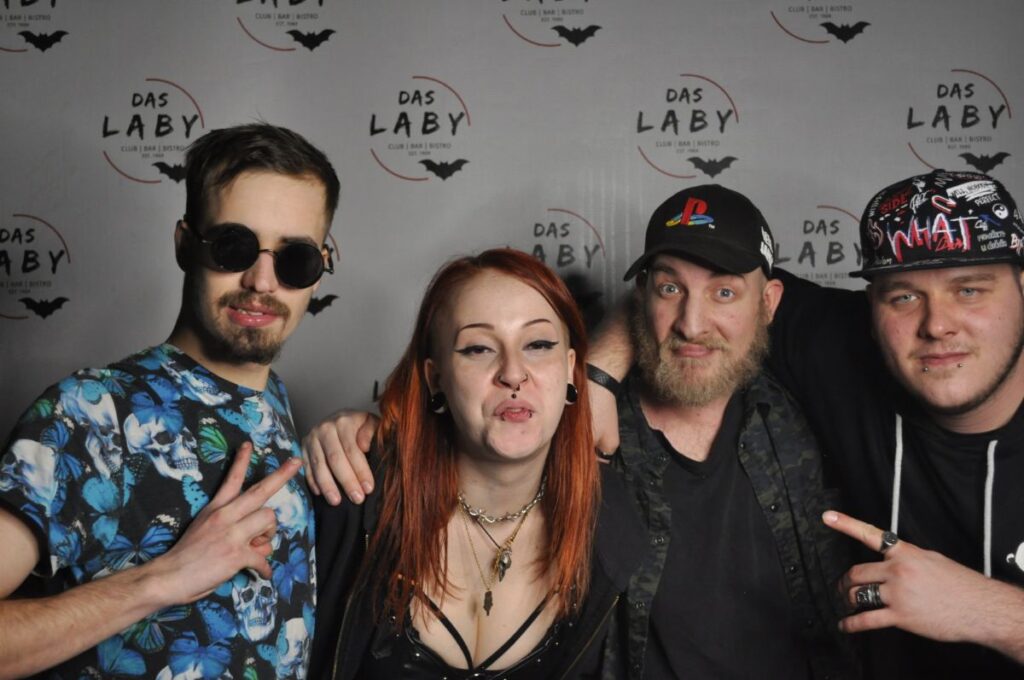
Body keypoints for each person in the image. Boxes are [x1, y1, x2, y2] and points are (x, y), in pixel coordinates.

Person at [303, 188, 856, 679]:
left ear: (770, 302)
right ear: (643, 295)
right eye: (669, 288)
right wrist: (359, 433)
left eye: (725, 294)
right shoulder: (585, 442)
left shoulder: (812, 410)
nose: (692, 322)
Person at [578, 171, 1024, 676]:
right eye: (903, 296)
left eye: (969, 290)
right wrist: (594, 380)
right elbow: (688, 291)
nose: (937, 324)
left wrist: (985, 610)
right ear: (871, 306)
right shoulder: (836, 344)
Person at [0, 123, 339, 679]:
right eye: (233, 247)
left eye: (295, 258)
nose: (262, 281)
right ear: (185, 244)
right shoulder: (89, 412)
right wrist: (162, 579)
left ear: (320, 270)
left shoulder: (276, 404)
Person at [309, 248, 647, 679]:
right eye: (478, 348)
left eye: (538, 345)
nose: (513, 373)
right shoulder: (356, 493)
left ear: (570, 370)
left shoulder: (613, 525)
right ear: (436, 379)